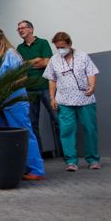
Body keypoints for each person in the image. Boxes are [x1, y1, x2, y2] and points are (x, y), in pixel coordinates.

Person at [0, 27, 45, 181]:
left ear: (1, 39)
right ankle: (20, 168)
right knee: (10, 138)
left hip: (15, 102)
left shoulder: (11, 54)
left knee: (25, 134)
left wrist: (6, 88)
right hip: (2, 104)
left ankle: (37, 170)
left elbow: (22, 77)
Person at [46, 31, 100, 171]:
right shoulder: (54, 60)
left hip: (85, 99)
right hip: (64, 100)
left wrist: (92, 87)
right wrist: (52, 97)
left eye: (63, 46)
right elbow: (52, 80)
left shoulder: (82, 56)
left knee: (90, 129)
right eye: (57, 47)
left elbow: (91, 73)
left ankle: (93, 159)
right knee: (67, 131)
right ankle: (71, 161)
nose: (60, 50)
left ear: (70, 44)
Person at [15, 20, 59, 159]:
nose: (21, 30)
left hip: (46, 87)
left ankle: (66, 154)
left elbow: (47, 62)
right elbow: (21, 66)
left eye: (23, 28)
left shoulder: (43, 42)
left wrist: (29, 63)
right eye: (19, 29)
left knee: (57, 119)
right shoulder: (19, 48)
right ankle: (38, 155)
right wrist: (35, 60)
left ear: (31, 29)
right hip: (29, 89)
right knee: (32, 124)